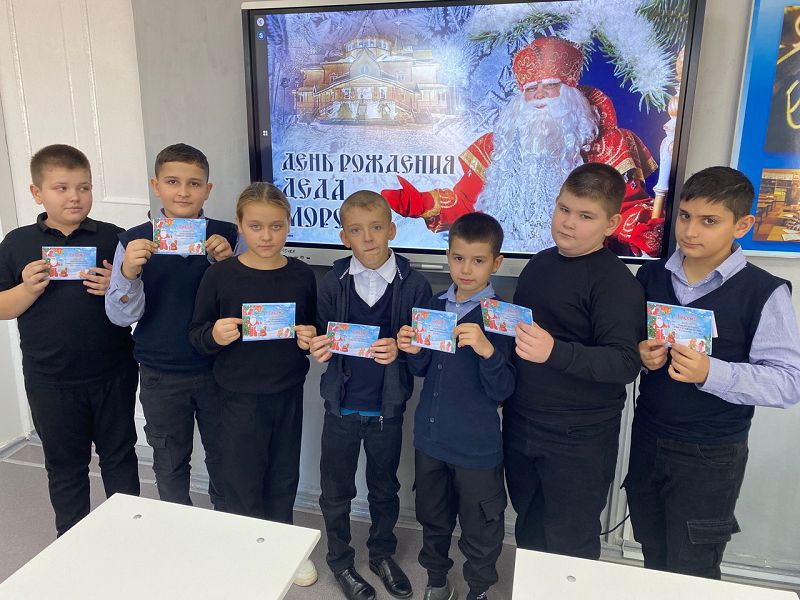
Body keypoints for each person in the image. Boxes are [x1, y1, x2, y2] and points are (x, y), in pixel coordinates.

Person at [626, 166, 800, 579]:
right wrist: (641, 355)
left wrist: (710, 373)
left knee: (694, 566)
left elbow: (787, 382)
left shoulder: (764, 291)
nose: (690, 231)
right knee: (652, 553)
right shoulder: (651, 276)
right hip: (648, 438)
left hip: (711, 453)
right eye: (685, 216)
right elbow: (631, 344)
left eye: (709, 221)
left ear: (742, 225)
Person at [381, 36, 660, 256]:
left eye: (550, 85)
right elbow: (467, 202)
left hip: (580, 270)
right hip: (503, 264)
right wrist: (423, 203)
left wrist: (642, 229)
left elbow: (625, 208)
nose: (539, 95)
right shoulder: (496, 147)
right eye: (530, 89)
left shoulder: (607, 144)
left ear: (570, 93)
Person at [504, 162, 645, 558]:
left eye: (585, 216)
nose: (568, 222)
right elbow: (522, 337)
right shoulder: (538, 264)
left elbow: (624, 363)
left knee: (571, 541)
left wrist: (555, 352)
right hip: (523, 420)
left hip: (578, 436)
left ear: (611, 223)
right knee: (529, 527)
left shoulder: (616, 283)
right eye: (563, 209)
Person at [0, 144, 139, 535]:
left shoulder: (114, 238)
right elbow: (3, 307)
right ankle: (72, 542)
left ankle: (130, 537)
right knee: (65, 468)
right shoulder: (17, 243)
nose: (74, 197)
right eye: (61, 188)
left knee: (119, 458)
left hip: (113, 373)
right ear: (36, 193)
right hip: (51, 380)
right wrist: (27, 288)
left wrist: (117, 286)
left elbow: (134, 299)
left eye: (84, 187)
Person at [189, 182, 319, 586]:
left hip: (287, 393)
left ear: (289, 225)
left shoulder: (301, 274)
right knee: (241, 479)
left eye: (276, 227)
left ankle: (284, 546)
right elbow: (197, 334)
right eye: (256, 227)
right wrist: (215, 335)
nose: (266, 236)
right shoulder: (220, 275)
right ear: (240, 226)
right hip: (236, 397)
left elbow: (312, 327)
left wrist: (310, 337)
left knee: (283, 476)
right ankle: (247, 552)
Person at [308, 191, 432, 600]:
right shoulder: (332, 282)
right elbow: (321, 337)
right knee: (336, 490)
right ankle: (340, 561)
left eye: (376, 227)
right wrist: (318, 347)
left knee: (384, 488)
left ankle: (381, 554)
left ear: (391, 230)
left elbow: (423, 356)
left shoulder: (415, 285)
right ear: (344, 237)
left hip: (386, 411)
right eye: (357, 230)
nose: (368, 238)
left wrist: (404, 349)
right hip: (340, 410)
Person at [105, 143, 237, 510]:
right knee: (169, 462)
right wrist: (129, 272)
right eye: (172, 182)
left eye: (194, 183)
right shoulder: (132, 241)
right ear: (156, 186)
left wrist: (228, 266)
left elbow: (247, 307)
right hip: (160, 373)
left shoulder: (228, 237)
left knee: (226, 459)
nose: (183, 192)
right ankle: (176, 531)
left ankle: (227, 528)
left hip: (219, 370)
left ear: (207, 189)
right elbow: (120, 317)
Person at [397, 212, 515, 600]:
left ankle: (478, 589)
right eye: (458, 258)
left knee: (481, 526)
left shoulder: (502, 317)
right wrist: (413, 349)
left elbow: (504, 388)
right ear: (447, 256)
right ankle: (436, 579)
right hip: (431, 440)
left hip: (476, 448)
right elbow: (421, 370)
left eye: (478, 260)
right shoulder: (433, 305)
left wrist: (486, 350)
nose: (466, 269)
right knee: (433, 517)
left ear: (496, 263)